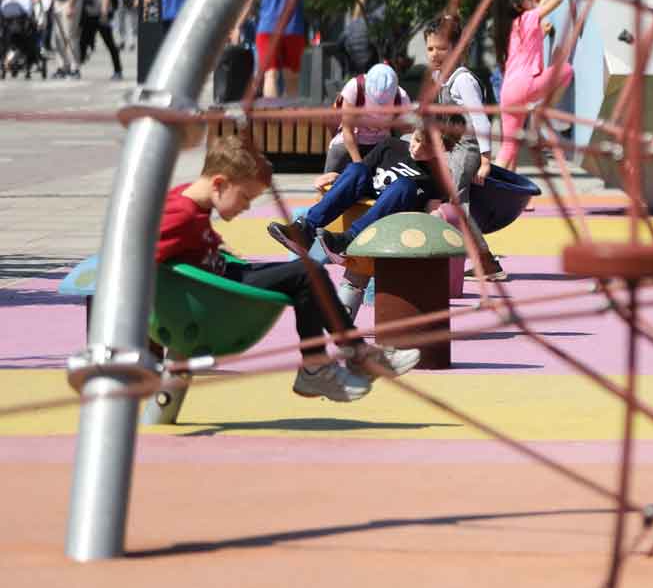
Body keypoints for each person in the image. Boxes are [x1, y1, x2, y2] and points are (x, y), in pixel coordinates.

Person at [155, 135, 417, 402]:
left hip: (222, 277)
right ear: (219, 184)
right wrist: (149, 351)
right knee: (306, 275)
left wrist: (219, 249)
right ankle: (334, 362)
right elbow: (138, 271)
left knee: (308, 275)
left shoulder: (189, 201)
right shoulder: (180, 214)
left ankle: (345, 358)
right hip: (211, 296)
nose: (246, 207)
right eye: (245, 198)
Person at [268, 113, 464, 261]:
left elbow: (431, 212)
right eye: (417, 140)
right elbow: (359, 173)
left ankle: (348, 240)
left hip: (391, 215)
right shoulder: (391, 146)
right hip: (370, 196)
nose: (417, 148)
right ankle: (305, 230)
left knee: (404, 185)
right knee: (356, 168)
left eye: (427, 148)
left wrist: (438, 216)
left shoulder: (439, 176)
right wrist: (335, 178)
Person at [424, 13, 506, 281]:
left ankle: (486, 261)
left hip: (468, 148)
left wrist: (484, 160)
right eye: (430, 48)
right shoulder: (441, 77)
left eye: (442, 48)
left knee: (458, 203)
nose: (435, 54)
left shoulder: (463, 80)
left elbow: (480, 120)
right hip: (453, 146)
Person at [494, 0, 577, 168]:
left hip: (508, 92)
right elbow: (557, 0)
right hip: (525, 86)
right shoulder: (528, 18)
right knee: (565, 70)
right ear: (518, 5)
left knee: (508, 148)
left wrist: (541, 33)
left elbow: (525, 49)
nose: (531, 0)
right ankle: (544, 110)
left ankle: (495, 186)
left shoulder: (512, 27)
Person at [325, 62, 411, 175]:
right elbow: (347, 130)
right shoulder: (355, 88)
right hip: (353, 141)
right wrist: (359, 165)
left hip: (382, 144)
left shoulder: (402, 98)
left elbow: (406, 135)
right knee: (337, 152)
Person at [253, 0, 307, 98]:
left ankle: (271, 120)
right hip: (294, 26)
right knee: (292, 77)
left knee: (270, 75)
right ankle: (291, 120)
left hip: (267, 26)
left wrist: (238, 24)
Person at [78, 0, 123, 79]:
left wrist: (104, 13)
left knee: (109, 42)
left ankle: (118, 70)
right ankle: (76, 68)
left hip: (100, 14)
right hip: (91, 13)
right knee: (82, 41)